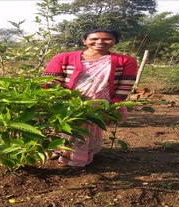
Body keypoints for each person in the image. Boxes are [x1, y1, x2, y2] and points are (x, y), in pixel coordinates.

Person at [42, 29, 138, 167]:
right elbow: (51, 81)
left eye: (107, 39)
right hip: (67, 101)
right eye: (94, 39)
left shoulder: (126, 61)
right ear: (84, 41)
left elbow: (125, 85)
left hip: (98, 102)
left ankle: (77, 158)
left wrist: (115, 104)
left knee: (86, 130)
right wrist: (47, 98)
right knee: (63, 126)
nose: (100, 42)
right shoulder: (63, 58)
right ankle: (60, 150)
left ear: (115, 41)